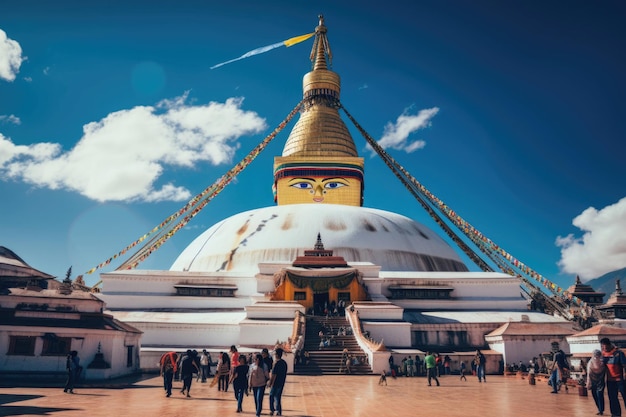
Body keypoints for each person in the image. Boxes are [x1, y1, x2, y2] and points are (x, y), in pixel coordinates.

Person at [601, 337, 626, 417]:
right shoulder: (603, 354)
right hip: (610, 380)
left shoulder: (618, 353)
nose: (605, 349)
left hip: (620, 379)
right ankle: (615, 414)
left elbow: (624, 365)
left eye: (606, 347)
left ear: (609, 345)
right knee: (612, 398)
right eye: (603, 347)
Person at [269, 347, 288, 416]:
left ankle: (272, 409)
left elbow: (274, 375)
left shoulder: (276, 363)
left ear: (276, 355)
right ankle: (278, 410)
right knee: (278, 397)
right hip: (281, 382)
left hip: (275, 383)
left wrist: (270, 383)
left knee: (272, 396)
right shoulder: (284, 363)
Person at [587, 349, 606, 416]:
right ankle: (599, 409)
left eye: (597, 355)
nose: (596, 356)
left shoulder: (602, 362)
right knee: (594, 395)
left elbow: (606, 372)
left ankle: (601, 410)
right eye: (595, 355)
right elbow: (588, 374)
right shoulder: (590, 363)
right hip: (593, 381)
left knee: (599, 394)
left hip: (600, 381)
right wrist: (588, 383)